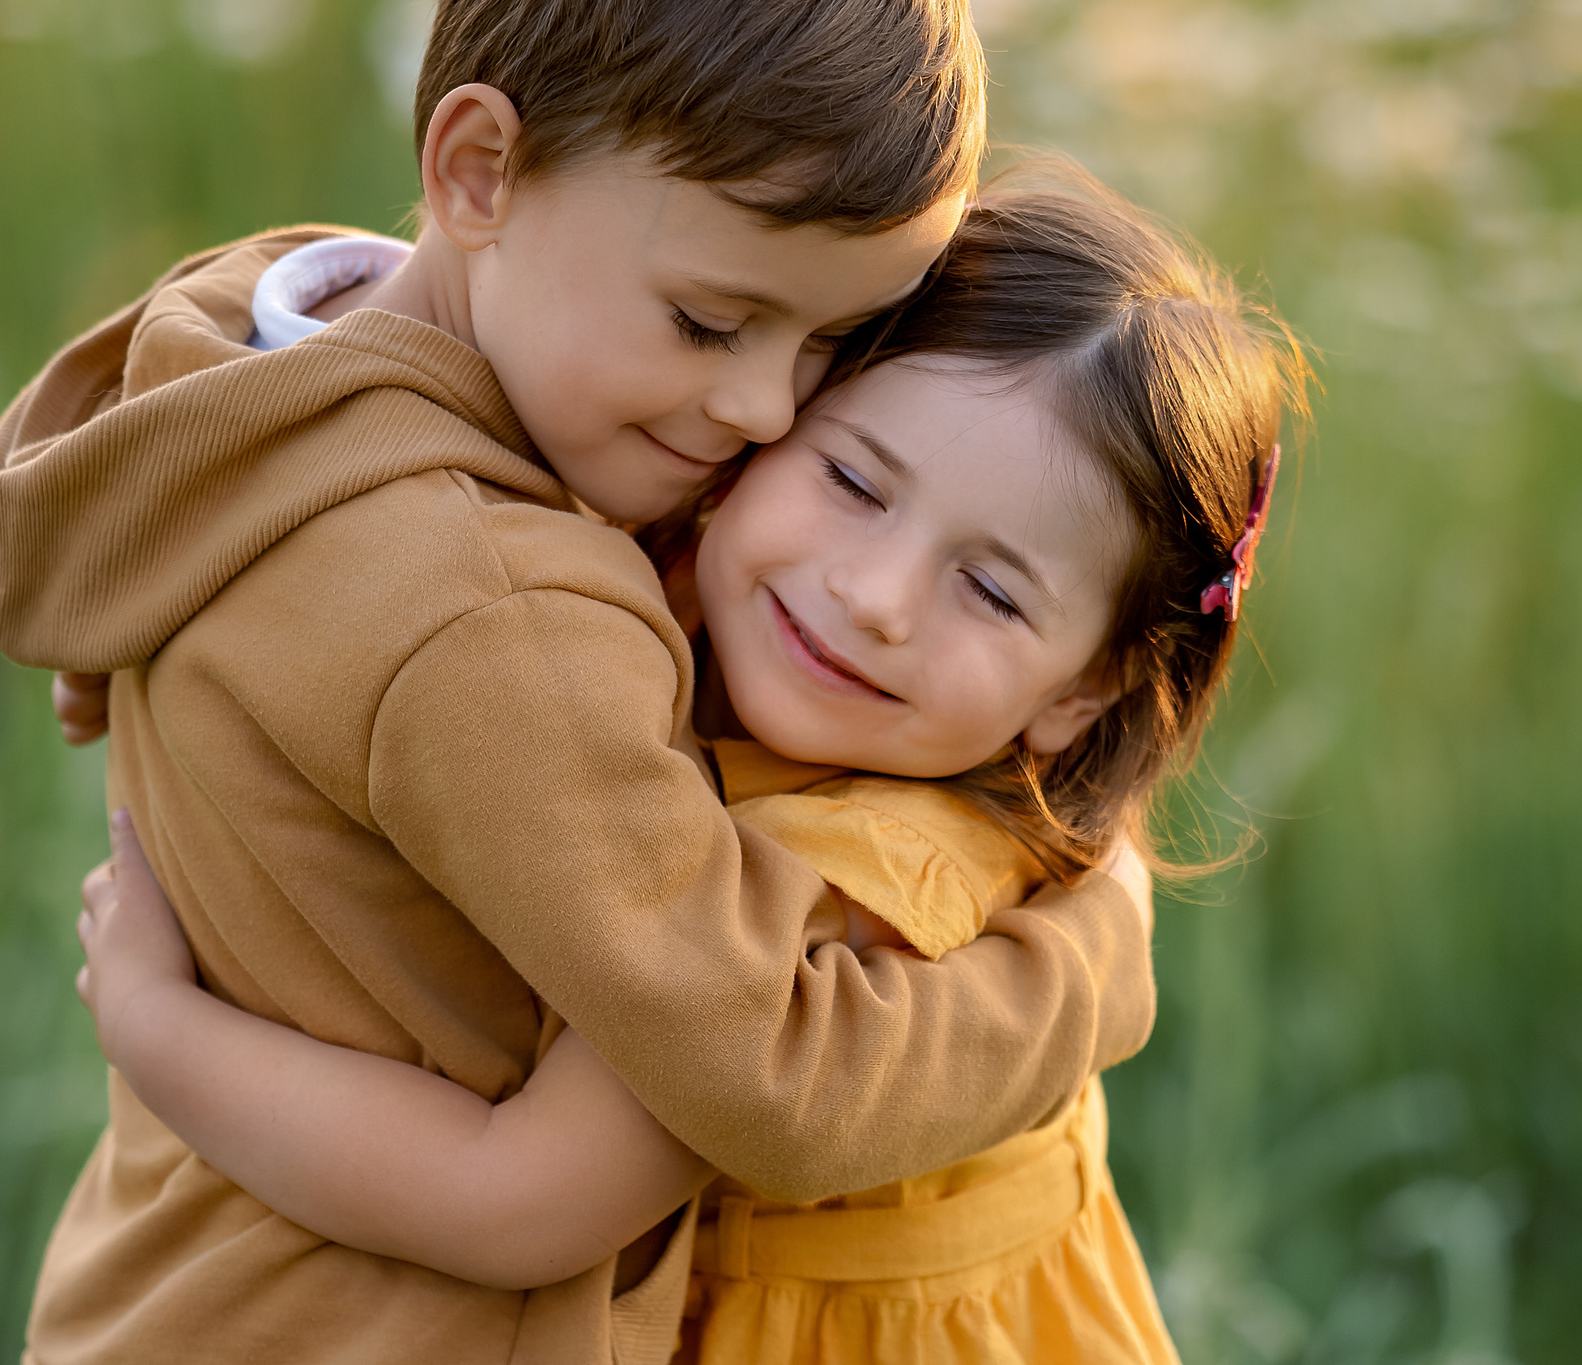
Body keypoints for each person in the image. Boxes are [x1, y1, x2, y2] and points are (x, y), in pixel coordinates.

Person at [0, 0, 1158, 1365]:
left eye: (824, 347)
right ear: (477, 168)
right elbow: (775, 1075)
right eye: (711, 320)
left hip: (161, 1288)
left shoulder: (241, 366)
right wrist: (1090, 961)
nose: (755, 406)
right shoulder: (502, 612)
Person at [67, 171, 1309, 1363]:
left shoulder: (855, 883)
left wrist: (159, 1030)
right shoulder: (652, 585)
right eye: (852, 478)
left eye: (989, 589)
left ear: (1082, 690)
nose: (874, 597)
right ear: (763, 414)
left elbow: (518, 1203)